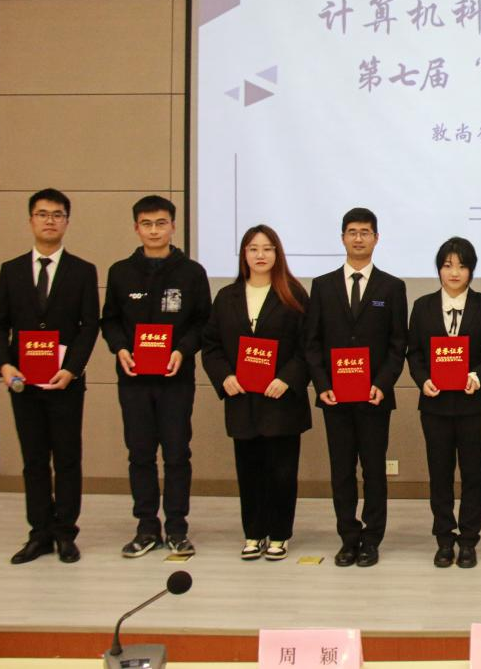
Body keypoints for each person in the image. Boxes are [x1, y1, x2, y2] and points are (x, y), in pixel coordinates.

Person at [0, 189, 99, 564]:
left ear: (67, 221)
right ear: (30, 220)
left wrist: (72, 369)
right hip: (23, 382)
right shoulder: (12, 270)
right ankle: (39, 533)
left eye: (57, 214)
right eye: (42, 214)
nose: (50, 220)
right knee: (34, 460)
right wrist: (4, 365)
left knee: (67, 458)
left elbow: (89, 326)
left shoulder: (83, 270)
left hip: (65, 382)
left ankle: (65, 533)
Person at [101, 195, 211, 558]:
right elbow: (110, 320)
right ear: (136, 228)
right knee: (140, 454)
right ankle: (146, 526)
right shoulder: (120, 272)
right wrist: (120, 347)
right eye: (146, 224)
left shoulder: (192, 272)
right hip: (134, 379)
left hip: (176, 379)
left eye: (161, 223)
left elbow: (203, 322)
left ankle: (177, 527)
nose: (154, 231)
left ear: (173, 226)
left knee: (177, 453)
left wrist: (183, 350)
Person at [304, 207, 407, 568]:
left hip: (374, 397)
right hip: (335, 397)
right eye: (352, 232)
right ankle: (348, 538)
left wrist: (382, 384)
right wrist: (322, 385)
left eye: (365, 232)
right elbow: (312, 342)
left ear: (376, 238)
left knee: (374, 471)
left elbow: (398, 344)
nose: (359, 238)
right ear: (342, 238)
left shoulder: (392, 287)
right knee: (342, 471)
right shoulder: (322, 286)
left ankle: (372, 539)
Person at [201, 225, 311, 562]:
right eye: (253, 248)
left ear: (278, 253)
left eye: (267, 248)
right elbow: (211, 345)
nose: (260, 255)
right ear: (244, 255)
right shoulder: (227, 297)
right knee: (249, 472)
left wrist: (287, 378)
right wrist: (224, 377)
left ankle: (279, 535)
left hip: (281, 399)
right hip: (242, 399)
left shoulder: (294, 294)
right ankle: (253, 533)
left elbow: (308, 346)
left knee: (282, 472)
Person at [406, 237, 481, 568]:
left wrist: (479, 375)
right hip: (434, 405)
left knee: (473, 474)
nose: (454, 272)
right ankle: (444, 539)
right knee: (440, 474)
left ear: (471, 270)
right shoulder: (422, 306)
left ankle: (469, 540)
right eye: (447, 265)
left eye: (462, 266)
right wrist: (423, 379)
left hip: (473, 405)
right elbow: (414, 353)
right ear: (438, 269)